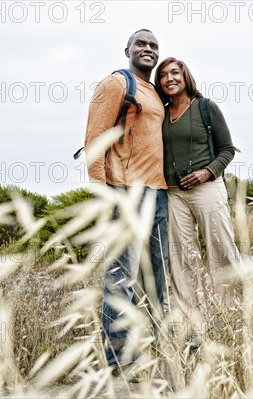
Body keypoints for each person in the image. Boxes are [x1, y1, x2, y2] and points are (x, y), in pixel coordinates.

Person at [84, 29, 168, 374]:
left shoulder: (153, 91)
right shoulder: (116, 84)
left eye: (153, 45)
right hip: (124, 191)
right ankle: (119, 363)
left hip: (158, 195)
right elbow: (94, 141)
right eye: (141, 44)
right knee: (121, 279)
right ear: (127, 50)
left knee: (156, 281)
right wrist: (103, 193)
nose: (148, 49)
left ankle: (156, 353)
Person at [154, 57, 240, 347]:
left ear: (185, 76)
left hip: (208, 189)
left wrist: (207, 172)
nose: (169, 79)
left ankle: (232, 319)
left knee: (221, 250)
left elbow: (227, 150)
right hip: (173, 193)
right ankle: (192, 328)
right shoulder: (160, 114)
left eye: (174, 73)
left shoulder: (206, 108)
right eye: (163, 75)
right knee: (181, 259)